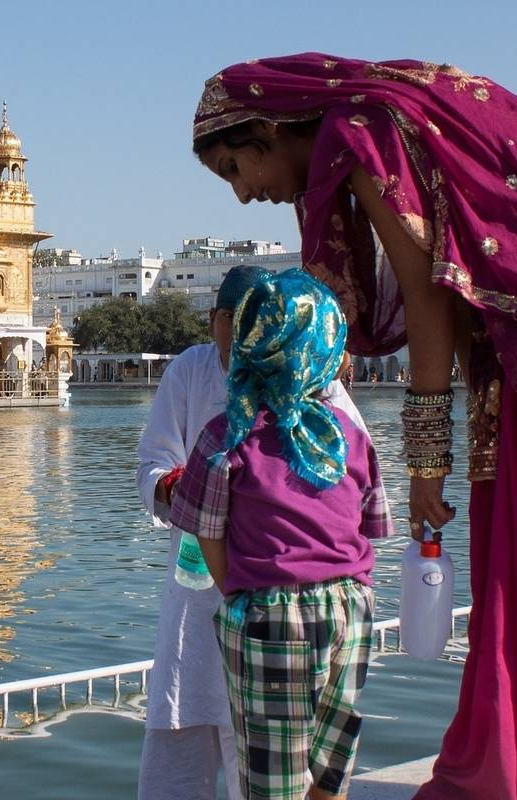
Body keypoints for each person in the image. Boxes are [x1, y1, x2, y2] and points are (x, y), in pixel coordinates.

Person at [192, 54, 517, 799]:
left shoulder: (361, 130)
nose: (245, 195)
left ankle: (507, 778)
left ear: (271, 128)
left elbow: (429, 300)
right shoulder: (386, 117)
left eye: (235, 168)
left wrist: (425, 463)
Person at [135, 265, 369, 800]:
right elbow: (152, 462)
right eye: (230, 325)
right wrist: (179, 488)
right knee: (183, 723)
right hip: (203, 592)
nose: (239, 342)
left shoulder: (310, 374)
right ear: (215, 319)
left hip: (281, 594)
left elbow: (352, 475)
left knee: (273, 753)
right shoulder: (190, 370)